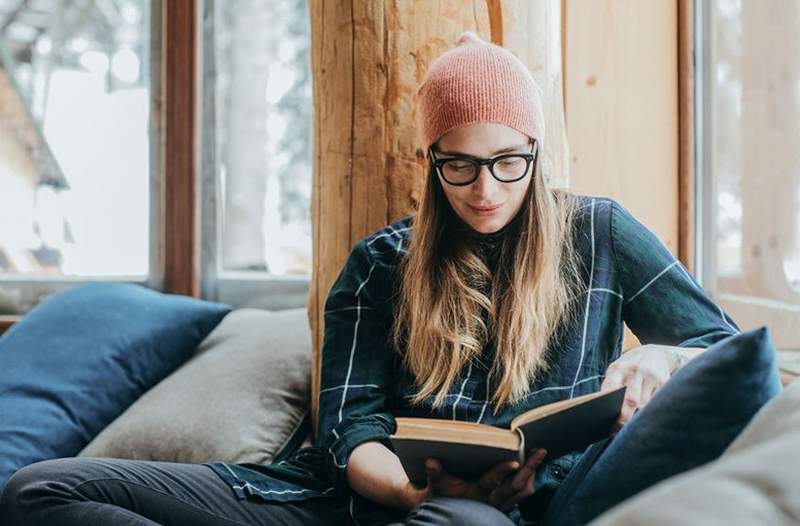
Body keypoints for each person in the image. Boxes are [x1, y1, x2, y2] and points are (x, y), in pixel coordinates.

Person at [0, 31, 740, 526]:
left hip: (496, 513)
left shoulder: (601, 233)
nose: (485, 188)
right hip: (351, 500)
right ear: (431, 162)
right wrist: (411, 486)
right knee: (39, 490)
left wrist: (661, 355)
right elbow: (351, 428)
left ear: (536, 153)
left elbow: (726, 346)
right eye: (460, 164)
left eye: (508, 162)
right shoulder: (381, 264)